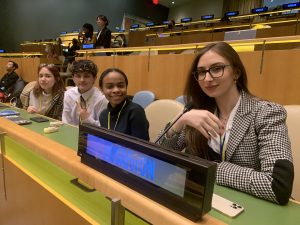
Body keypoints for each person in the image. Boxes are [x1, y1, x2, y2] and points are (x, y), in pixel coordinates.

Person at [158, 42, 294, 205]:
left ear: (236, 72)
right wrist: (180, 122)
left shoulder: (266, 113)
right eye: (201, 72)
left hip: (254, 206)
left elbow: (278, 186)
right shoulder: (196, 110)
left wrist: (208, 169)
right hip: (204, 201)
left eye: (217, 69)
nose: (207, 78)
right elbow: (159, 156)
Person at [99, 68, 149, 141]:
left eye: (121, 86)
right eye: (110, 87)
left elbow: (141, 148)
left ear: (126, 86)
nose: (116, 90)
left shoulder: (136, 112)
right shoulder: (104, 115)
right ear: (102, 89)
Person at [62, 59, 107, 126]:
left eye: (86, 76)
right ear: (73, 78)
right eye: (78, 76)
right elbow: (66, 121)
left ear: (94, 78)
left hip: (93, 135)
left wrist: (87, 119)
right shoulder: (68, 94)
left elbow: (103, 127)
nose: (82, 80)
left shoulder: (102, 99)